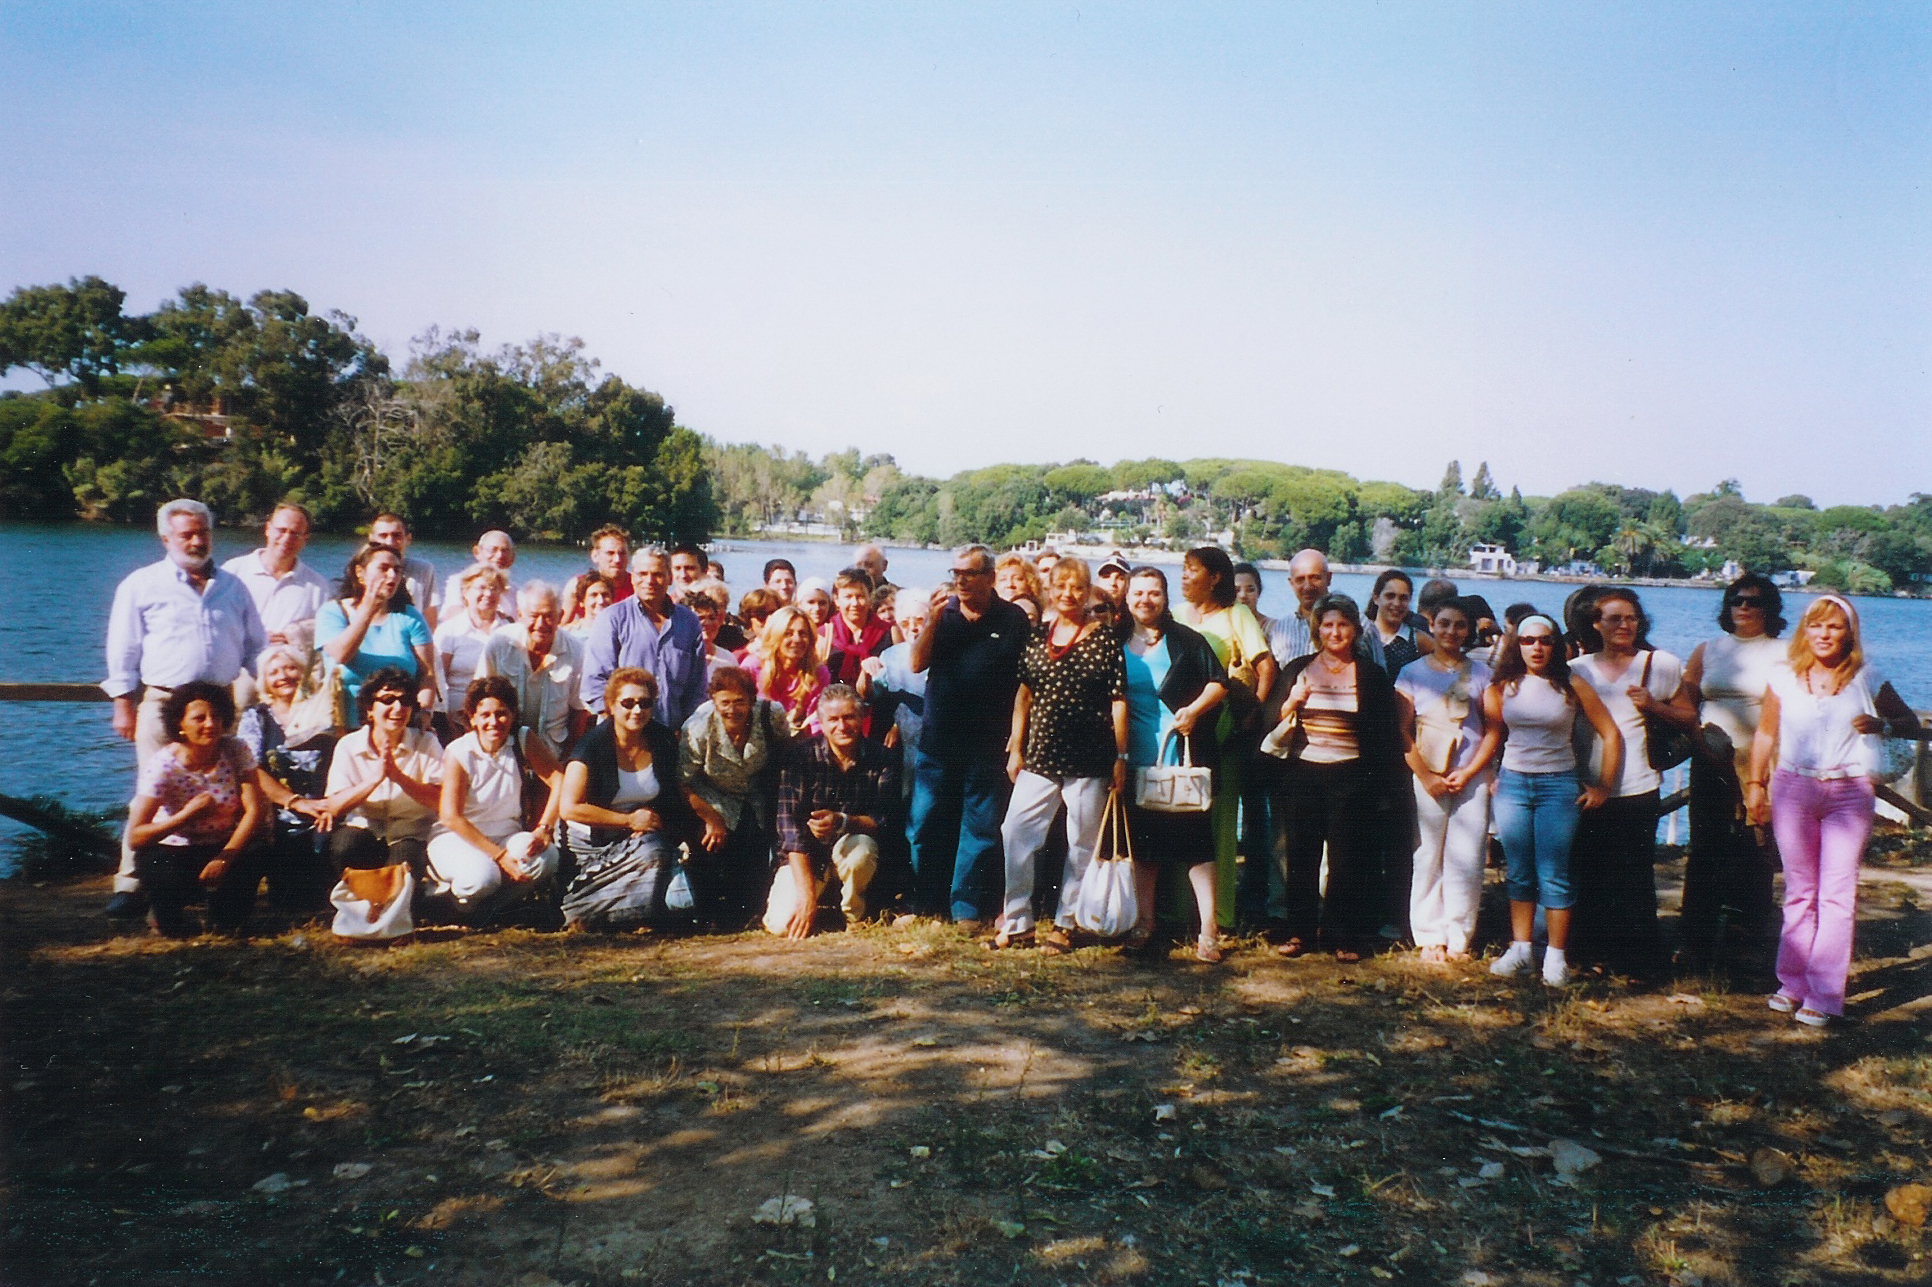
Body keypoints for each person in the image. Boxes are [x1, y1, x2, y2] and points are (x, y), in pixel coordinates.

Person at [1747, 595, 1918, 1027]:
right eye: (1816, 626)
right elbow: (1766, 735)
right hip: (1792, 789)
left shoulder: (1867, 677)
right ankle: (1792, 983)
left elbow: (1913, 726)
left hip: (1848, 793)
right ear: (1804, 631)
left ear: (1849, 634)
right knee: (1800, 892)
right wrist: (1755, 785)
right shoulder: (1783, 677)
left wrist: (1883, 726)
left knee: (1837, 895)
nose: (1824, 635)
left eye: (1834, 627)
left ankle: (1825, 995)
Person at [103, 498, 268, 916]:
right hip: (162, 702)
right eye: (186, 534)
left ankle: (215, 874)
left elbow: (255, 646)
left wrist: (265, 691)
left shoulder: (233, 586)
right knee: (150, 791)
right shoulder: (141, 585)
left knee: (226, 794)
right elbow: (122, 648)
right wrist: (123, 702)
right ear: (166, 538)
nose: (197, 541)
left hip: (219, 705)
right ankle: (131, 883)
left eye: (203, 532)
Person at [996, 558, 1128, 954]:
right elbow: (1024, 695)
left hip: (1090, 758)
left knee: (1082, 845)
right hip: (1039, 756)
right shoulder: (1037, 637)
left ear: (1087, 593)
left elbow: (1118, 701)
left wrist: (1120, 755)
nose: (1068, 594)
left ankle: (1066, 924)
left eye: (1077, 587)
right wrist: (1016, 746)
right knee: (1015, 832)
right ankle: (1018, 922)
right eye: (1061, 586)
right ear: (1049, 590)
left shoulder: (1104, 639)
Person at [1481, 617, 1622, 986]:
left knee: (1554, 874)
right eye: (1528, 640)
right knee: (1519, 872)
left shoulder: (1572, 685)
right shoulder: (1501, 687)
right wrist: (1490, 777)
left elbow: (1610, 734)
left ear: (1555, 645)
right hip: (1513, 785)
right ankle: (1521, 950)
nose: (1536, 647)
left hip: (1557, 787)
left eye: (1545, 640)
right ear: (1518, 645)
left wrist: (1603, 786)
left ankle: (1555, 958)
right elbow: (1493, 736)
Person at [1568, 588, 1697, 981]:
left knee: (1633, 877)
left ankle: (1638, 963)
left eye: (1631, 618)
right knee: (1587, 873)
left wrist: (1654, 706)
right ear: (1595, 624)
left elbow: (1689, 716)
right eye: (1613, 618)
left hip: (1638, 785)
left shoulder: (1661, 664)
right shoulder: (1576, 668)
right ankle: (1588, 956)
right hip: (1586, 785)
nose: (1624, 625)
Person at [1267, 594, 1402, 961]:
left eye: (1343, 625)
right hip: (1303, 773)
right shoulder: (1299, 668)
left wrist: (1380, 788)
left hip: (1351, 775)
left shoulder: (1370, 674)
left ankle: (1343, 936)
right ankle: (1299, 933)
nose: (1335, 632)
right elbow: (1272, 721)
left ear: (1355, 630)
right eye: (1327, 624)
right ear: (1317, 630)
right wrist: (1293, 700)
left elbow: (1385, 734)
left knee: (1347, 859)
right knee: (1301, 856)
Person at [908, 546, 1029, 928]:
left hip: (988, 744)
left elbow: (1026, 685)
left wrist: (1016, 738)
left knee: (979, 828)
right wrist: (930, 620)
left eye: (970, 573)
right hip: (939, 742)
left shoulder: (1013, 619)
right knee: (926, 822)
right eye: (956, 572)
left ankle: (967, 910)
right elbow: (915, 663)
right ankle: (925, 903)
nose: (960, 580)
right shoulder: (943, 616)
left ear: (990, 578)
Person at [1677, 574, 1787, 974]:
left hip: (1765, 763)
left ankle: (1746, 942)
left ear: (1769, 609)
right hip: (1712, 759)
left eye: (1754, 602)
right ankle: (1695, 941)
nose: (1744, 607)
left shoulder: (1786, 652)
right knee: (1706, 849)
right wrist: (1696, 740)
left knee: (1756, 852)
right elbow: (1685, 703)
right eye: (1736, 600)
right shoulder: (1708, 650)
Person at [1119, 568, 1229, 960]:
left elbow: (1219, 683)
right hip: (1133, 758)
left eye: (1154, 592)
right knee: (1143, 848)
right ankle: (1144, 923)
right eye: (1138, 592)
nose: (1145, 599)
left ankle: (1208, 931)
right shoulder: (1114, 640)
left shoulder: (1186, 640)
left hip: (1183, 755)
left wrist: (1194, 711)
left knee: (1196, 846)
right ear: (1127, 597)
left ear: (1165, 598)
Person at [1176, 546, 1277, 931]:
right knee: (1178, 816)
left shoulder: (1237, 614)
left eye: (1192, 570)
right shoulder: (1174, 614)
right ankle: (1177, 909)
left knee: (1219, 820)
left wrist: (1254, 714)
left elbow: (1265, 666)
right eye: (1183, 570)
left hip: (1223, 728)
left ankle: (1218, 914)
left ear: (1215, 577)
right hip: (1182, 725)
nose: (1184, 577)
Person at [1394, 599, 1501, 962]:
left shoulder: (1483, 674)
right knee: (1427, 854)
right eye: (1443, 624)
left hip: (1471, 778)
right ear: (1432, 626)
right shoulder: (1410, 673)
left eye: (1458, 625)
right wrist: (1425, 776)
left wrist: (1470, 773)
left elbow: (1493, 731)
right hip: (1428, 776)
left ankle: (1459, 935)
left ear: (1468, 630)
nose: (1450, 632)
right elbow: (1402, 732)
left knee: (1467, 857)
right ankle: (1429, 935)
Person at [124, 680, 267, 936]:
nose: (210, 724)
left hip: (225, 845)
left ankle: (222, 907)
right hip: (177, 849)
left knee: (230, 927)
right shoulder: (164, 766)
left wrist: (226, 857)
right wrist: (184, 817)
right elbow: (135, 837)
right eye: (199, 718)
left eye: (215, 716)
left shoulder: (235, 750)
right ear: (180, 725)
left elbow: (255, 810)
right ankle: (164, 910)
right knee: (171, 921)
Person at [559, 668, 699, 928]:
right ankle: (579, 906)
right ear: (611, 706)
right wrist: (628, 821)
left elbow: (674, 792)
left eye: (644, 703)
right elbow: (569, 809)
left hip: (641, 836)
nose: (637, 710)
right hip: (593, 843)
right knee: (655, 855)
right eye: (628, 703)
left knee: (659, 854)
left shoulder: (662, 739)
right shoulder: (590, 746)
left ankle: (605, 914)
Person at [768, 684, 902, 938]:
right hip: (807, 857)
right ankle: (817, 904)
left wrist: (843, 821)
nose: (842, 726)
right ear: (820, 721)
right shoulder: (800, 757)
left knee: (862, 848)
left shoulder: (882, 758)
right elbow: (789, 831)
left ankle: (855, 914)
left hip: (850, 850)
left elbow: (885, 819)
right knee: (781, 926)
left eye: (849, 717)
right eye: (833, 719)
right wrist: (807, 898)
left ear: (862, 716)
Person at [425, 677, 563, 924]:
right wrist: (499, 857)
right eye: (485, 715)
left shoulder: (522, 739)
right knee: (482, 878)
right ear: (472, 717)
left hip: (507, 835)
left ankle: (491, 911)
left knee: (546, 857)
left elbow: (559, 780)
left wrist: (545, 828)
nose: (493, 722)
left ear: (512, 715)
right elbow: (450, 817)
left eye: (501, 714)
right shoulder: (459, 751)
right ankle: (452, 905)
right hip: (457, 839)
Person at [680, 666, 791, 924]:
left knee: (752, 869)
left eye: (740, 701)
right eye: (725, 703)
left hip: (755, 796)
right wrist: (712, 818)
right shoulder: (698, 727)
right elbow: (682, 782)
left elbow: (787, 755)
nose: (733, 709)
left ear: (752, 700)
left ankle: (748, 909)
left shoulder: (770, 715)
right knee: (710, 844)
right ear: (713, 702)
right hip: (710, 797)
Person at [235, 644, 338, 915]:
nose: (284, 676)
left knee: (322, 897)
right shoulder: (256, 717)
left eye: (291, 668)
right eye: (274, 672)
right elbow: (251, 769)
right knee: (288, 903)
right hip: (277, 818)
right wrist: (294, 802)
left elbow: (341, 758)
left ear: (303, 673)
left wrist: (330, 805)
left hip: (324, 813)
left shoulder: (325, 712)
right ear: (265, 681)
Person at [319, 667, 445, 877]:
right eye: (388, 700)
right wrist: (374, 780)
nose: (398, 707)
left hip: (411, 833)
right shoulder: (348, 745)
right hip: (365, 829)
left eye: (405, 701)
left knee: (401, 868)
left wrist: (399, 778)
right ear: (369, 709)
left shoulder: (427, 742)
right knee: (345, 846)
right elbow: (334, 806)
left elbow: (440, 801)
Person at [581, 548, 709, 730]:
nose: (649, 581)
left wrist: (685, 728)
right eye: (642, 574)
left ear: (670, 578)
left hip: (672, 734)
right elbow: (594, 683)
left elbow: (697, 687)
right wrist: (619, 725)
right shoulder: (612, 618)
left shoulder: (688, 622)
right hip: (620, 734)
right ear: (632, 578)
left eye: (657, 574)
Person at [477, 581, 588, 760]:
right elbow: (479, 698)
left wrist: (569, 759)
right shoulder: (499, 643)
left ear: (560, 616)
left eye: (548, 616)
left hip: (553, 753)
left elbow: (580, 712)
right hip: (502, 751)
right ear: (520, 615)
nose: (541, 624)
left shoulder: (576, 651)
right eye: (534, 616)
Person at [318, 544, 437, 712]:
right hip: (342, 721)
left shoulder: (410, 616)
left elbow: (428, 674)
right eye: (384, 568)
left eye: (397, 570)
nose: (392, 575)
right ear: (360, 573)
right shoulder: (333, 612)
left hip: (397, 720)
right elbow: (340, 655)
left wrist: (424, 711)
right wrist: (367, 612)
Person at [220, 502, 331, 671]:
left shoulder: (317, 587)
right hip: (236, 672)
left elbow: (324, 640)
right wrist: (257, 639)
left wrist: (294, 637)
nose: (287, 539)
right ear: (268, 529)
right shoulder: (233, 571)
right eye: (281, 530)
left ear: (305, 539)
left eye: (295, 533)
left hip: (286, 680)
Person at [432, 564, 507, 732]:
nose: (488, 594)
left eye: (494, 588)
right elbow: (437, 681)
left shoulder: (509, 630)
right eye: (481, 587)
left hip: (498, 721)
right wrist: (446, 722)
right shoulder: (449, 630)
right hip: (454, 719)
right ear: (465, 592)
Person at [861, 586, 932, 760]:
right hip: (902, 743)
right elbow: (871, 695)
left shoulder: (944, 653)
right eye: (906, 623)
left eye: (919, 621)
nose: (913, 628)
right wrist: (866, 674)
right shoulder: (891, 655)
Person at [743, 606, 831, 737]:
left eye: (803, 633)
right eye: (788, 634)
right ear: (775, 636)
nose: (797, 639)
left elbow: (817, 720)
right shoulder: (752, 667)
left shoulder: (818, 673)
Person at [367, 512, 440, 631]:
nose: (390, 542)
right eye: (383, 535)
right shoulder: (363, 570)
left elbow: (429, 619)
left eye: (397, 535)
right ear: (371, 538)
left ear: (408, 539)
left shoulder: (423, 569)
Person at [823, 567, 892, 688]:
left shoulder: (889, 632)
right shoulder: (824, 634)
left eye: (860, 596)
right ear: (836, 600)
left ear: (870, 597)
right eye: (848, 597)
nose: (854, 603)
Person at [1364, 570, 1432, 676]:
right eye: (1390, 596)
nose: (1396, 603)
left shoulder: (1417, 639)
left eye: (1403, 598)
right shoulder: (1362, 634)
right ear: (1376, 598)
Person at [438, 529, 516, 620]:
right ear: (477, 552)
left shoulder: (517, 592)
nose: (499, 555)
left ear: (513, 557)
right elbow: (453, 612)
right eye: (493, 550)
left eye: (505, 551)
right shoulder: (460, 582)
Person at [680, 578, 739, 676]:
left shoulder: (728, 659)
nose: (707, 623)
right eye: (700, 618)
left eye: (712, 618)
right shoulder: (676, 656)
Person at [563, 572, 615, 641]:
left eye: (605, 595)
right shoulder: (568, 634)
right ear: (582, 601)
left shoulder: (621, 631)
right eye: (594, 595)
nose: (601, 601)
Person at [738, 588, 783, 653]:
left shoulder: (795, 651)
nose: (769, 619)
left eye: (774, 613)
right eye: (761, 614)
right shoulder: (741, 657)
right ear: (748, 620)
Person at [1232, 562, 1272, 631]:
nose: (1243, 595)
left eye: (1250, 590)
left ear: (1259, 592)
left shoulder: (1272, 627)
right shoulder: (1219, 625)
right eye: (1237, 590)